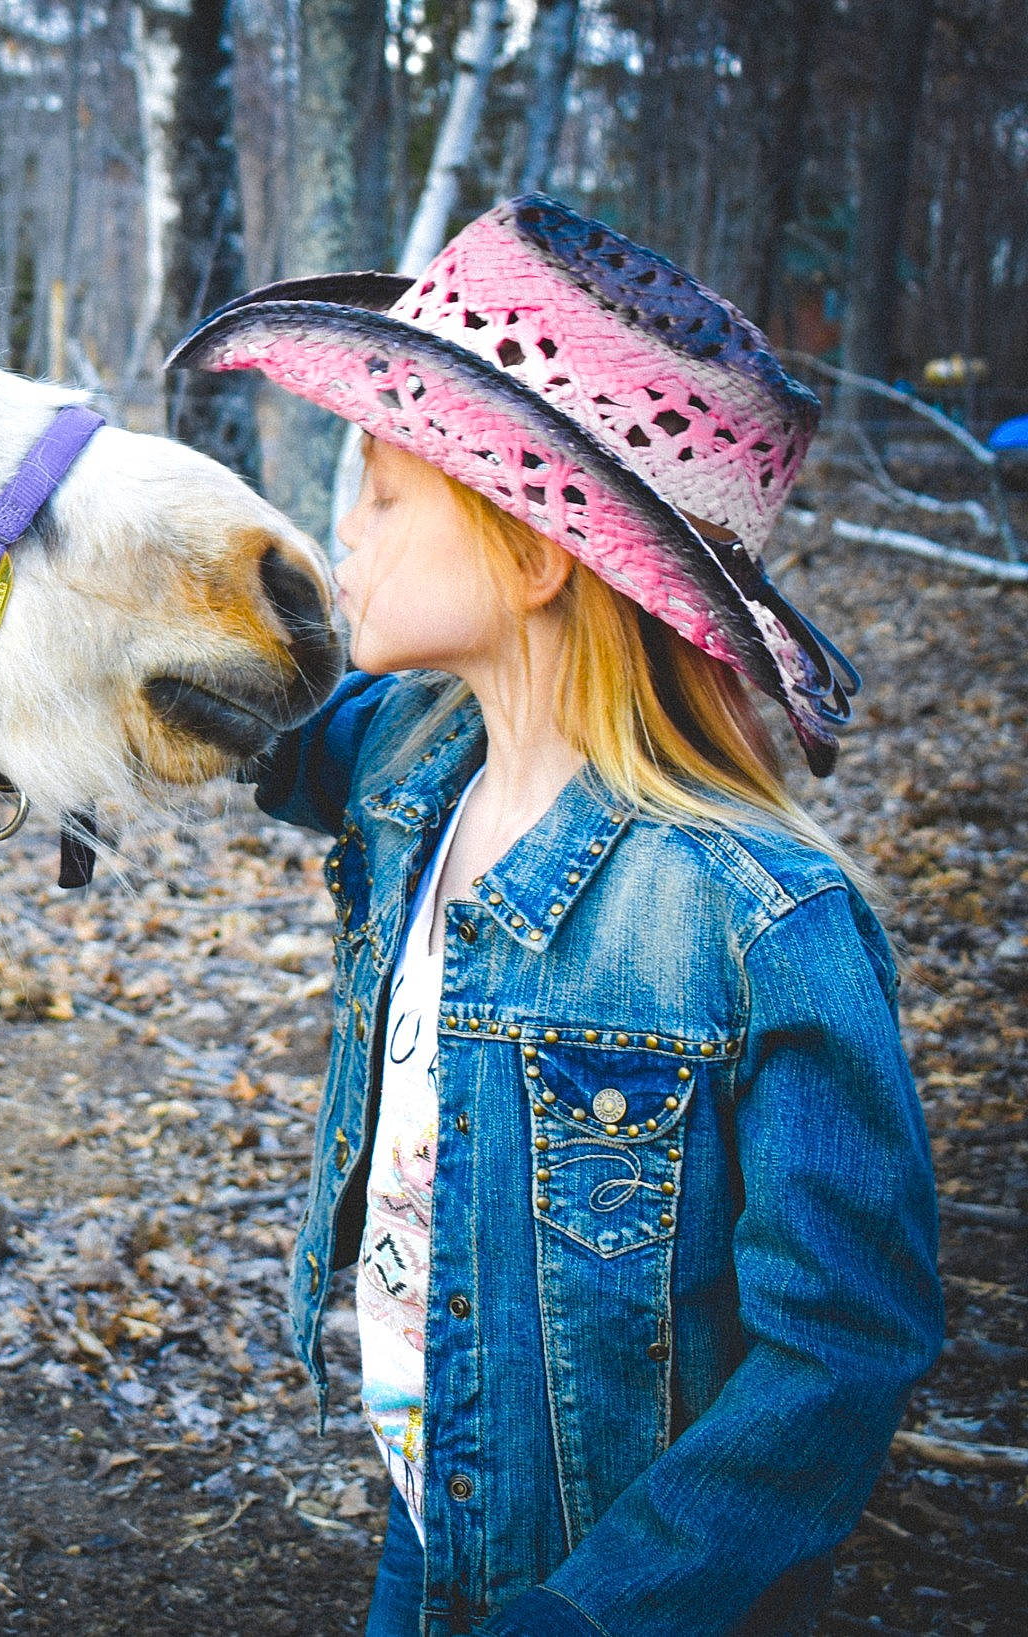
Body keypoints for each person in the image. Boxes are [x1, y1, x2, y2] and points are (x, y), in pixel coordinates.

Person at [168, 197, 943, 1636]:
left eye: (385, 498)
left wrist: (594, 1615)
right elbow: (231, 704)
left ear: (533, 552)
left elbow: (842, 1349)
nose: (345, 535)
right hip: (434, 1519)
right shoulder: (414, 756)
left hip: (628, 1593)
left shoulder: (761, 925)